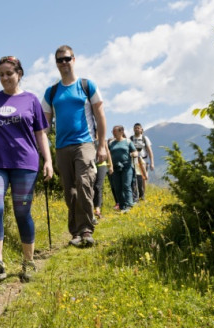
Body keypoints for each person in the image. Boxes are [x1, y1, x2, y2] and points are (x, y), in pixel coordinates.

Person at [0, 56, 53, 284]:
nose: (5, 78)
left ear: (19, 74)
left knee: (22, 212)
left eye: (9, 74)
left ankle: (28, 262)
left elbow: (40, 134)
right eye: (1, 74)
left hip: (26, 162)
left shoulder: (31, 100)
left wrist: (48, 161)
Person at [41, 45, 108, 246]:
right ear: (56, 64)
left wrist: (102, 145)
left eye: (67, 59)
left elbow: (100, 115)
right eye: (60, 60)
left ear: (74, 59)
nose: (64, 63)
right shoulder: (51, 92)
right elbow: (44, 126)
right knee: (70, 191)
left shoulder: (87, 85)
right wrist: (45, 155)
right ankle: (76, 233)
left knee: (85, 182)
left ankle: (86, 229)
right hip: (61, 147)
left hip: (85, 143)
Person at [109, 125, 138, 213]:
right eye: (112, 131)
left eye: (115, 131)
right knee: (117, 187)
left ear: (121, 132)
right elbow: (108, 154)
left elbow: (134, 151)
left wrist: (134, 154)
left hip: (126, 166)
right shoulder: (111, 143)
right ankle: (122, 206)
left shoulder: (128, 141)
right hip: (115, 167)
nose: (113, 133)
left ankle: (129, 205)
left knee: (126, 185)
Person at [130, 123, 154, 201]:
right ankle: (135, 195)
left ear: (141, 130)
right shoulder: (130, 138)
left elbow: (150, 151)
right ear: (133, 129)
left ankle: (142, 195)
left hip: (143, 160)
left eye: (138, 128)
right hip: (133, 160)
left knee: (143, 178)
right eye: (135, 128)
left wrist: (152, 163)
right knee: (135, 178)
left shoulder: (144, 138)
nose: (136, 129)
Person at [92, 143, 113, 223]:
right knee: (92, 187)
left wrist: (111, 165)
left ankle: (98, 209)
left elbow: (107, 151)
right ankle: (92, 209)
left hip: (101, 164)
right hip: (91, 164)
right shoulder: (89, 136)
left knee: (98, 186)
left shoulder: (102, 139)